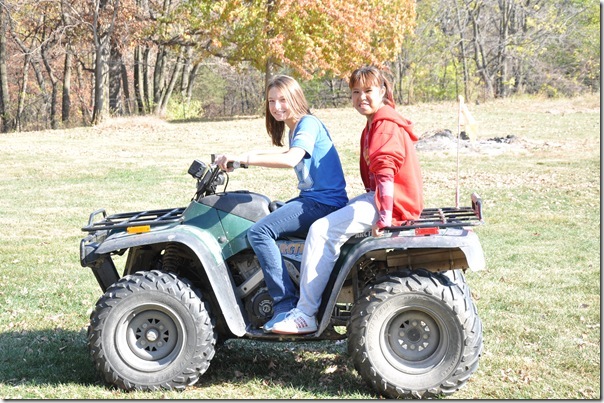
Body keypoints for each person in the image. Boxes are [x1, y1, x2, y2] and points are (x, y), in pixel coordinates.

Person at [271, 66, 424, 334]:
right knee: (336, 218)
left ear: (383, 91)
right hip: (381, 199)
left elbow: (386, 175)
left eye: (368, 91)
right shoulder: (375, 123)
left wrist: (385, 219)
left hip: (393, 203)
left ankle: (305, 313)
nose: (361, 97)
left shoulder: (384, 126)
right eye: (355, 92)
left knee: (321, 230)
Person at [214, 75, 348, 332]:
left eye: (283, 100)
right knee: (272, 210)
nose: (276, 106)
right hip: (314, 199)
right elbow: (282, 153)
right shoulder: (295, 127)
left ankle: (284, 304)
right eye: (271, 101)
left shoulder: (308, 123)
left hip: (324, 204)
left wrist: (246, 161)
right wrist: (241, 158)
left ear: (296, 97)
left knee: (259, 231)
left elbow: (291, 158)